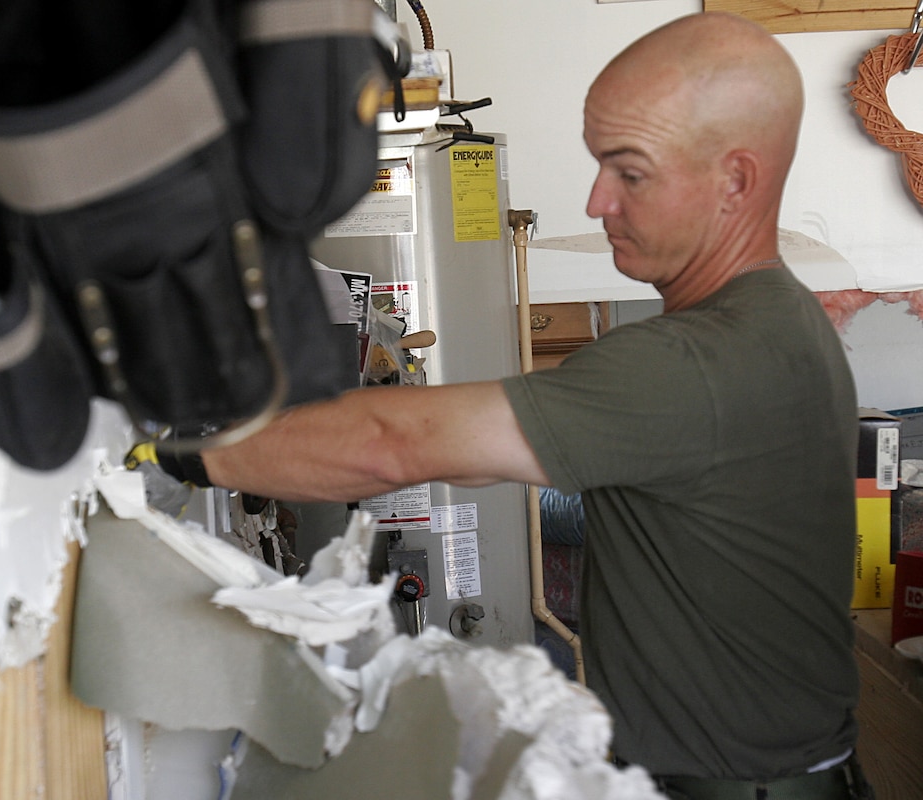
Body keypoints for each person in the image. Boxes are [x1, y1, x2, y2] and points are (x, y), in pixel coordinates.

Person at [194, 12, 872, 798]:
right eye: (599, 166)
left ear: (737, 179)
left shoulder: (698, 363)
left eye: (630, 172)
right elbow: (455, 452)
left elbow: (391, 443)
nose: (595, 202)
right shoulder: (777, 316)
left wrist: (188, 456)